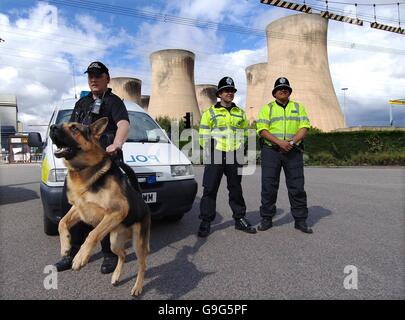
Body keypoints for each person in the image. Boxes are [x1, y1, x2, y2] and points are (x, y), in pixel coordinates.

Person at [55, 61, 131, 272]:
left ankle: (109, 254)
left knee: (109, 208)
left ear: (107, 78)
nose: (93, 79)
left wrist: (117, 143)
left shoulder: (114, 102)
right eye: (90, 75)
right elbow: (70, 130)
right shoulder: (82, 102)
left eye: (97, 75)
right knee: (70, 205)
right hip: (80, 166)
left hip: (106, 162)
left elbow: (124, 124)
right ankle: (70, 253)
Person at [198, 76, 256, 237]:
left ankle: (240, 219)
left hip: (234, 155)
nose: (229, 93)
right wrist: (213, 151)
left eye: (232, 90)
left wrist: (240, 149)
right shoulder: (210, 113)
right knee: (210, 189)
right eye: (226, 90)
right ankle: (206, 221)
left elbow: (245, 133)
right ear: (219, 94)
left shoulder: (240, 113)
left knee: (236, 188)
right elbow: (203, 134)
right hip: (216, 155)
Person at [256, 77, 313, 234]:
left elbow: (304, 127)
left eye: (286, 88)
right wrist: (279, 142)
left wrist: (292, 142)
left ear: (289, 91)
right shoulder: (267, 108)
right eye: (280, 88)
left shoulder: (298, 107)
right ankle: (266, 218)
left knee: (297, 186)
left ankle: (300, 220)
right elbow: (262, 129)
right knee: (269, 186)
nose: (283, 90)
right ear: (274, 93)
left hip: (293, 151)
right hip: (271, 152)